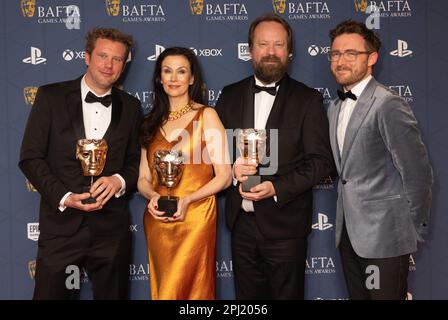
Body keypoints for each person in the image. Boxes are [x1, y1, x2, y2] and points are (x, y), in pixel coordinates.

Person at [215, 13, 335, 300]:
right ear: (250, 50)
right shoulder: (229, 96)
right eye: (263, 44)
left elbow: (321, 162)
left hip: (286, 227)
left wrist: (277, 187)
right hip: (240, 225)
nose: (270, 52)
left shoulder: (308, 100)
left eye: (278, 45)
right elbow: (213, 155)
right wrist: (232, 172)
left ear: (289, 52)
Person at [19, 28, 143, 299]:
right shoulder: (50, 97)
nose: (109, 65)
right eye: (102, 56)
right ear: (87, 57)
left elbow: (136, 161)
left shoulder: (132, 107)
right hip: (62, 228)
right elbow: (31, 157)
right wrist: (64, 197)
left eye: (117, 59)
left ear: (125, 64)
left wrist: (118, 181)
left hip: (112, 232)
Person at [327, 20, 433, 299]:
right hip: (348, 236)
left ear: (371, 58)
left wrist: (410, 231)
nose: (341, 61)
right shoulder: (334, 106)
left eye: (351, 53)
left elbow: (417, 172)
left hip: (385, 239)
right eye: (335, 54)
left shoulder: (387, 104)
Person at [138, 47, 231, 300]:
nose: (173, 78)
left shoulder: (206, 116)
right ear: (159, 77)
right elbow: (143, 179)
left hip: (195, 217)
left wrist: (188, 199)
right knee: (165, 290)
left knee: (194, 291)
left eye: (181, 72)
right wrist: (153, 197)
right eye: (167, 71)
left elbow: (224, 175)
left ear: (192, 78)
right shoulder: (149, 123)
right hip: (158, 219)